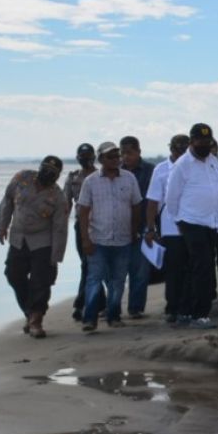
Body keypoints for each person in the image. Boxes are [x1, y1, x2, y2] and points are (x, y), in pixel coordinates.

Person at [165, 123, 218, 329]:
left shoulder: (214, 163)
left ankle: (184, 311)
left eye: (207, 141)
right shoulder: (182, 165)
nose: (204, 145)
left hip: (213, 223)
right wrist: (179, 221)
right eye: (200, 141)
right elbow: (171, 198)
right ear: (192, 141)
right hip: (191, 222)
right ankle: (200, 315)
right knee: (204, 267)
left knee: (196, 267)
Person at [0, 155, 68, 338]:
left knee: (41, 281)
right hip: (18, 237)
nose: (48, 173)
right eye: (45, 169)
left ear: (58, 175)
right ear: (40, 167)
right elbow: (7, 201)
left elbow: (60, 228)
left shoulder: (58, 196)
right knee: (13, 274)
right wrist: (2, 226)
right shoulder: (22, 178)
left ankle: (36, 320)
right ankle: (30, 312)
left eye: (53, 172)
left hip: (43, 241)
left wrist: (56, 256)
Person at [76, 142, 143, 332]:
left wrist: (134, 229)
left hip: (123, 239)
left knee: (118, 280)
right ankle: (90, 319)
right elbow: (83, 212)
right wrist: (85, 240)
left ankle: (114, 316)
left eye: (117, 156)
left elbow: (137, 205)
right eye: (110, 157)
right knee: (94, 280)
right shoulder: (91, 181)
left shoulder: (129, 178)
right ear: (100, 159)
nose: (115, 159)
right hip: (98, 239)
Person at [145, 134, 190, 324]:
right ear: (170, 149)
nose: (179, 153)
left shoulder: (196, 166)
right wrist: (150, 229)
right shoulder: (161, 170)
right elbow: (153, 201)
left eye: (183, 149)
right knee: (173, 271)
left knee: (192, 270)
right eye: (176, 149)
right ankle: (172, 308)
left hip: (194, 226)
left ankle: (188, 307)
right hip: (171, 229)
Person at [65, 142, 102, 321]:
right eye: (82, 157)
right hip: (81, 225)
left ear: (94, 157)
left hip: (101, 224)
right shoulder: (73, 178)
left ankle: (80, 304)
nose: (85, 160)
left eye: (88, 157)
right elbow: (65, 205)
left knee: (91, 265)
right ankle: (98, 301)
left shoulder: (101, 175)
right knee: (86, 264)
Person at [119, 136, 155, 319]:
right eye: (122, 153)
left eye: (129, 153)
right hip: (119, 227)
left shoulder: (150, 170)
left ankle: (135, 308)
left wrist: (151, 227)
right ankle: (114, 307)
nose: (126, 157)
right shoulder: (116, 171)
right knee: (117, 271)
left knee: (140, 271)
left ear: (138, 152)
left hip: (143, 226)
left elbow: (153, 200)